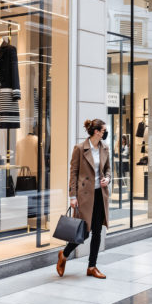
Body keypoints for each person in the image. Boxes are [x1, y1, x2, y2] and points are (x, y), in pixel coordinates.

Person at [57, 119, 111, 279]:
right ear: (96, 132)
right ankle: (64, 254)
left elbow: (108, 169)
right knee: (84, 232)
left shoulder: (104, 148)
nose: (105, 133)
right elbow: (73, 173)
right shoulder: (80, 148)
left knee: (97, 232)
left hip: (100, 195)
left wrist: (107, 179)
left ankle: (92, 266)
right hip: (85, 196)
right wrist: (72, 196)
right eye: (103, 131)